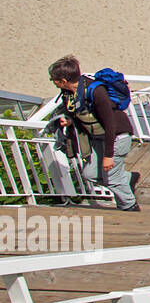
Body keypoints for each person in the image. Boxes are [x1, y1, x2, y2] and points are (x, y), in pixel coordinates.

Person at [48, 56, 138, 211]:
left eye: (53, 79)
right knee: (90, 174)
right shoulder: (68, 93)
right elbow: (79, 112)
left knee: (112, 178)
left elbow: (111, 125)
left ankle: (129, 206)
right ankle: (129, 179)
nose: (52, 82)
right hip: (97, 138)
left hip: (117, 135)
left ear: (63, 80)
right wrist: (69, 121)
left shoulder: (96, 91)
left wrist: (108, 155)